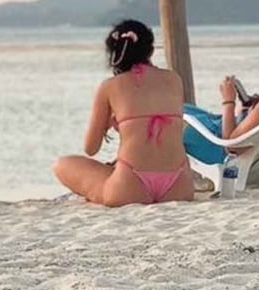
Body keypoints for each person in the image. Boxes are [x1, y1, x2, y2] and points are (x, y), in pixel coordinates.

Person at [53, 20, 194, 206]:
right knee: (118, 167)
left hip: (131, 184)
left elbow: (91, 148)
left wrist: (107, 124)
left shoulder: (110, 86)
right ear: (150, 51)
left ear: (113, 53)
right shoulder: (174, 80)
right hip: (179, 185)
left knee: (62, 164)